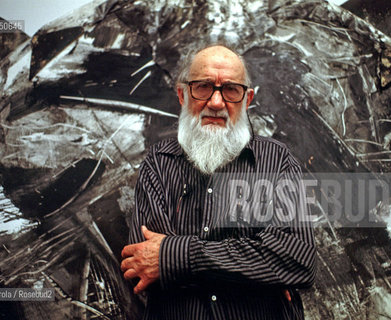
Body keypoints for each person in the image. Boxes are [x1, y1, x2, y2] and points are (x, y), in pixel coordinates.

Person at [120, 44, 316, 320]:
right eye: (203, 87)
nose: (215, 102)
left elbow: (298, 260)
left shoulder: (277, 160)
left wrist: (176, 258)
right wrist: (260, 272)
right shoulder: (158, 163)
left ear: (247, 100)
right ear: (182, 94)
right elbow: (142, 267)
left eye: (231, 90)